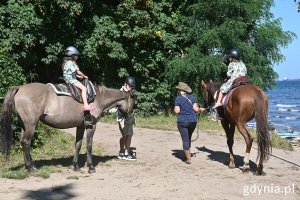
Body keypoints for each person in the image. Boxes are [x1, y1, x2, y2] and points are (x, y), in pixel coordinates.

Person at [174, 82, 206, 164]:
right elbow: (196, 109)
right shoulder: (192, 97)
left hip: (182, 121)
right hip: (193, 121)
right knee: (188, 137)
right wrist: (200, 109)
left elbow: (176, 111)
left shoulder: (178, 99)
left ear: (181, 90)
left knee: (185, 139)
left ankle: (188, 159)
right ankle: (187, 154)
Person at [62, 46, 95, 111]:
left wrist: (78, 77)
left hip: (66, 79)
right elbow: (78, 71)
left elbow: (70, 73)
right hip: (71, 80)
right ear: (72, 55)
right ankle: (86, 105)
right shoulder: (71, 63)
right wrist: (84, 76)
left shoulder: (66, 62)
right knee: (84, 89)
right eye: (76, 55)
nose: (77, 57)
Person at [117, 76, 137, 161]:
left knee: (129, 135)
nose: (131, 87)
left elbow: (133, 104)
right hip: (122, 118)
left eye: (132, 86)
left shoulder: (131, 93)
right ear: (125, 84)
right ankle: (125, 153)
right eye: (130, 85)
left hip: (130, 117)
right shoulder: (120, 93)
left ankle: (124, 152)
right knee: (125, 135)